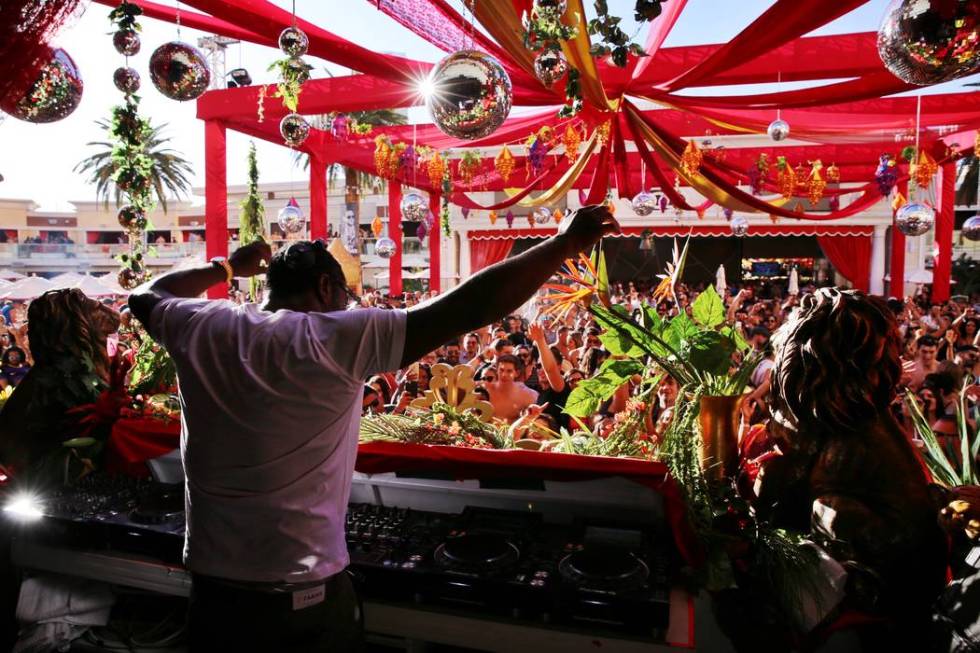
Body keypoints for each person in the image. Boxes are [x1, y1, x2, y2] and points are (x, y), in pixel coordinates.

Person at [126, 205, 618, 652]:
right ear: (325, 288)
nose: (348, 304)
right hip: (303, 596)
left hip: (214, 591)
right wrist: (564, 244)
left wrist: (226, 267)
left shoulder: (204, 326)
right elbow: (472, 306)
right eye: (344, 294)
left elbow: (147, 294)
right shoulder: (338, 336)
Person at [484, 354, 538, 423]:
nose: (504, 375)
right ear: (497, 370)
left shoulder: (528, 395)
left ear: (517, 373)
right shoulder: (486, 391)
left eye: (509, 371)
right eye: (501, 370)